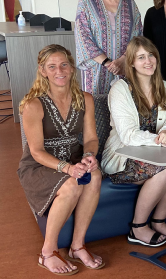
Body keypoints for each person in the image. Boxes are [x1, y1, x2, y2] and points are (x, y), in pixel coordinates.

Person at [18, 44, 104, 275]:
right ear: (43, 71)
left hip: (74, 156)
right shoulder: (33, 104)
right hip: (39, 165)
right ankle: (48, 252)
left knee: (94, 176)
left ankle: (77, 246)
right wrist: (68, 169)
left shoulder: (85, 98)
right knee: (72, 184)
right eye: (52, 66)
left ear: (72, 68)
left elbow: (91, 139)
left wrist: (88, 157)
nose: (60, 71)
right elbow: (35, 151)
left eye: (64, 64)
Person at [101, 36, 166, 247]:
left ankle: (159, 221)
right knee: (164, 171)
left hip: (158, 153)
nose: (148, 61)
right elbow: (128, 135)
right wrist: (162, 140)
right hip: (123, 155)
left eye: (151, 55)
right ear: (131, 62)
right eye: (141, 57)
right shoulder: (120, 89)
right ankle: (138, 227)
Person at [75, 0, 143, 95]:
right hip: (96, 70)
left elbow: (138, 36)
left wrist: (123, 60)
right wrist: (106, 62)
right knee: (95, 112)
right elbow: (83, 36)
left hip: (124, 70)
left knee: (123, 110)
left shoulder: (130, 5)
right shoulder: (87, 1)